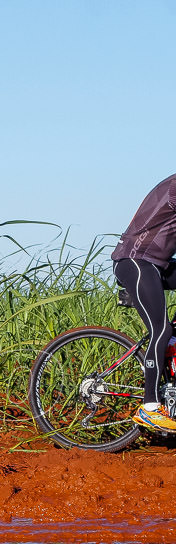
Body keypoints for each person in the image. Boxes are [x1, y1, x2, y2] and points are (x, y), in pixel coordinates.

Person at [111, 172, 176, 431]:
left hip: (155, 265)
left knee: (167, 332)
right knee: (160, 329)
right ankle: (149, 407)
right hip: (136, 262)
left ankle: (171, 343)